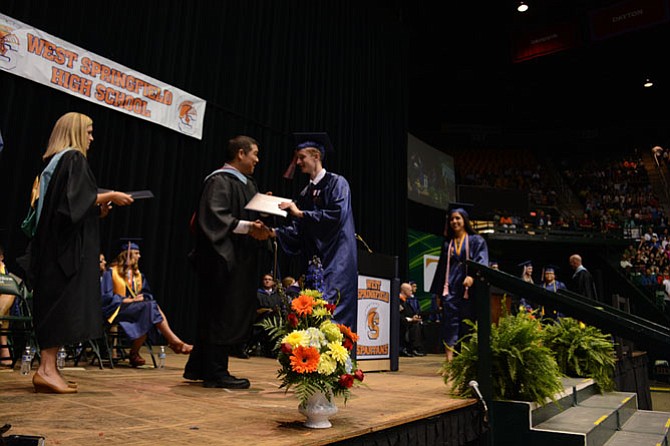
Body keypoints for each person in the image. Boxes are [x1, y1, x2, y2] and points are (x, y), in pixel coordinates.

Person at [24, 112, 133, 393]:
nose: (92, 138)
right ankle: (46, 369)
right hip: (64, 255)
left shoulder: (52, 162)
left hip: (51, 248)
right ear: (75, 132)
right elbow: (74, 201)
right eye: (89, 131)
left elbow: (66, 210)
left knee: (54, 306)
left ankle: (50, 369)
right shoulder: (73, 158)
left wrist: (96, 210)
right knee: (60, 307)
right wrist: (109, 196)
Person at [183, 135, 269, 389]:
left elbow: (245, 216)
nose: (257, 159)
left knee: (220, 314)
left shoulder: (247, 184)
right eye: (254, 153)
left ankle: (202, 367)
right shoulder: (219, 180)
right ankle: (216, 372)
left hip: (237, 261)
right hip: (220, 261)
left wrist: (263, 209)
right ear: (240, 154)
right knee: (219, 314)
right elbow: (214, 218)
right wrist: (249, 226)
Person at [269, 132, 358, 329]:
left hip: (336, 260)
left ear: (316, 156)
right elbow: (298, 231)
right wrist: (273, 231)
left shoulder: (337, 183)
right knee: (311, 315)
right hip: (313, 263)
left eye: (302, 157)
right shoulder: (305, 192)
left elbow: (336, 215)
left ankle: (339, 360)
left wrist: (300, 214)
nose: (298, 162)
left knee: (332, 314)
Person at [101, 240, 192, 367]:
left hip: (137, 310)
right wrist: (129, 300)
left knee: (149, 308)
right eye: (136, 253)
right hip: (116, 310)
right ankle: (172, 342)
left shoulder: (138, 276)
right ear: (127, 254)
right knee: (150, 309)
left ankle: (139, 352)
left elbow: (147, 294)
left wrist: (142, 297)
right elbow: (105, 297)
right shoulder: (110, 273)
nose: (139, 256)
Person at [429, 203, 489, 361]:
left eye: (458, 218)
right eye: (452, 219)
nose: (454, 221)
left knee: (466, 323)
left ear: (465, 220)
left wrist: (473, 276)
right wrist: (438, 292)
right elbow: (441, 268)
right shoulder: (448, 244)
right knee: (449, 323)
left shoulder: (476, 241)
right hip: (450, 289)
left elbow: (482, 261)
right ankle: (449, 360)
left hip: (468, 290)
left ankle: (466, 358)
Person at [0, 244, 19, 367]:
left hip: (5, 307)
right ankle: (3, 348)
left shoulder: (7, 274)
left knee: (8, 293)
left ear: (1, 257)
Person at [399, 282, 426, 357]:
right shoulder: (398, 301)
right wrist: (411, 319)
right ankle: (408, 348)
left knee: (420, 324)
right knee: (414, 326)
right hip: (400, 323)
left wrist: (415, 317)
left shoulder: (406, 301)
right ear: (405, 291)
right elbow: (400, 316)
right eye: (410, 290)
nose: (411, 292)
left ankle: (417, 348)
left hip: (407, 321)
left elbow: (410, 313)